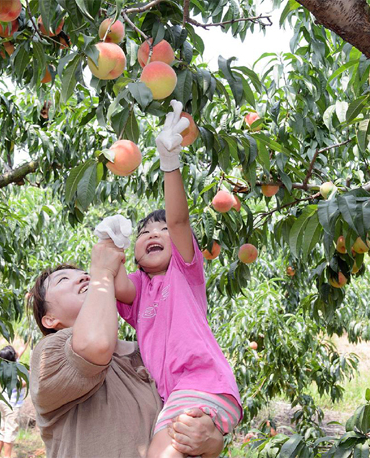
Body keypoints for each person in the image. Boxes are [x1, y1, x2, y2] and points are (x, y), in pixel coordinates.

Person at [112, 101, 242, 457]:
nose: (154, 233)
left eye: (162, 229)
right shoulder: (137, 290)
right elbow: (114, 283)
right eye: (143, 232)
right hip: (178, 394)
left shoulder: (184, 272)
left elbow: (181, 222)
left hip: (202, 383)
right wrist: (112, 242)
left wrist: (170, 165)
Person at [28, 247, 225, 457]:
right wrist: (102, 272)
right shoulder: (48, 355)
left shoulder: (150, 353)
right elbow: (97, 345)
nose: (84, 277)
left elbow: (192, 412)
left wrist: (211, 441)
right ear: (49, 320)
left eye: (85, 273)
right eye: (63, 279)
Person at [0, 343, 28, 458]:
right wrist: (31, 376)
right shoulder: (12, 371)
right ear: (13, 358)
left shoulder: (5, 365)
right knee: (10, 430)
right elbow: (19, 385)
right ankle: (7, 456)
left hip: (3, 401)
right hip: (11, 405)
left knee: (3, 428)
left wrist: (27, 340)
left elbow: (20, 350)